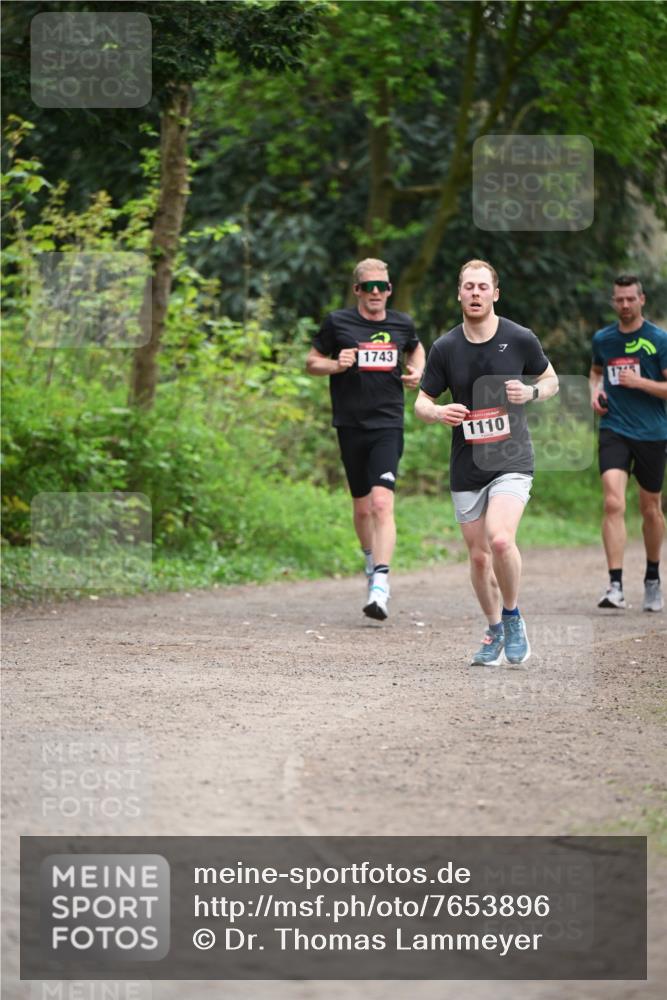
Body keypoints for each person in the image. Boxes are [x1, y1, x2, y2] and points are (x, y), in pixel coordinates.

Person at [415, 259, 559, 665]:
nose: (475, 293)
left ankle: (513, 617)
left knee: (500, 539)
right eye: (468, 287)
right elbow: (421, 402)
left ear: (495, 294)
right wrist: (439, 413)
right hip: (467, 465)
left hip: (512, 458)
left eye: (482, 287)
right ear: (459, 294)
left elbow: (551, 380)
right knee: (479, 557)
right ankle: (494, 628)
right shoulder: (445, 348)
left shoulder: (519, 338)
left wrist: (530, 394)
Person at [306, 258, 425, 620]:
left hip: (388, 423)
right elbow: (312, 362)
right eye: (368, 287)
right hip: (349, 424)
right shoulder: (338, 322)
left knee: (381, 504)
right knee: (361, 507)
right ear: (357, 290)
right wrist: (336, 364)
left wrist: (418, 369)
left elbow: (416, 348)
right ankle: (370, 562)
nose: (376, 293)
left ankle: (381, 584)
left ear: (389, 290)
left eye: (382, 287)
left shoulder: (401, 323)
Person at [589, 274, 667, 612]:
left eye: (630, 299)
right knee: (612, 502)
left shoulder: (658, 340)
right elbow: (595, 372)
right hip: (614, 428)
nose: (624, 305)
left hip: (652, 432)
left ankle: (652, 577)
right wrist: (596, 391)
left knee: (650, 508)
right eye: (619, 299)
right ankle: (615, 585)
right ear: (613, 302)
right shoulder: (603, 339)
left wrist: (640, 383)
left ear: (641, 300)